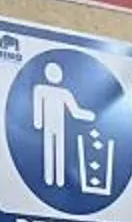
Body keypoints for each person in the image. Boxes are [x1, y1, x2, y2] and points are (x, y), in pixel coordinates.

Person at [30, 60, 95, 194]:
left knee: (59, 150)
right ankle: (49, 179)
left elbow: (75, 110)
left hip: (60, 126)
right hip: (48, 126)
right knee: (48, 149)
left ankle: (59, 180)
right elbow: (37, 106)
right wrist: (38, 123)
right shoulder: (41, 89)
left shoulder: (64, 93)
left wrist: (90, 116)